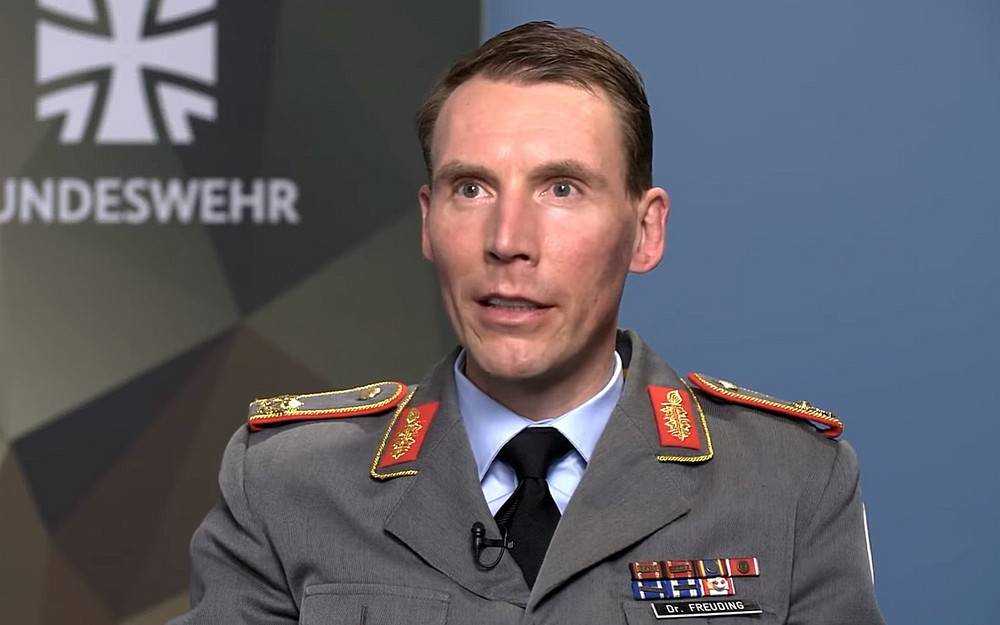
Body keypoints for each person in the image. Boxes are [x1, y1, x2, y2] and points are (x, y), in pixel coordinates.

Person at [170, 21, 884, 624]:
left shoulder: (790, 483)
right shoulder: (285, 483)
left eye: (561, 188)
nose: (508, 239)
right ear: (428, 222)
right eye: (471, 188)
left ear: (645, 232)